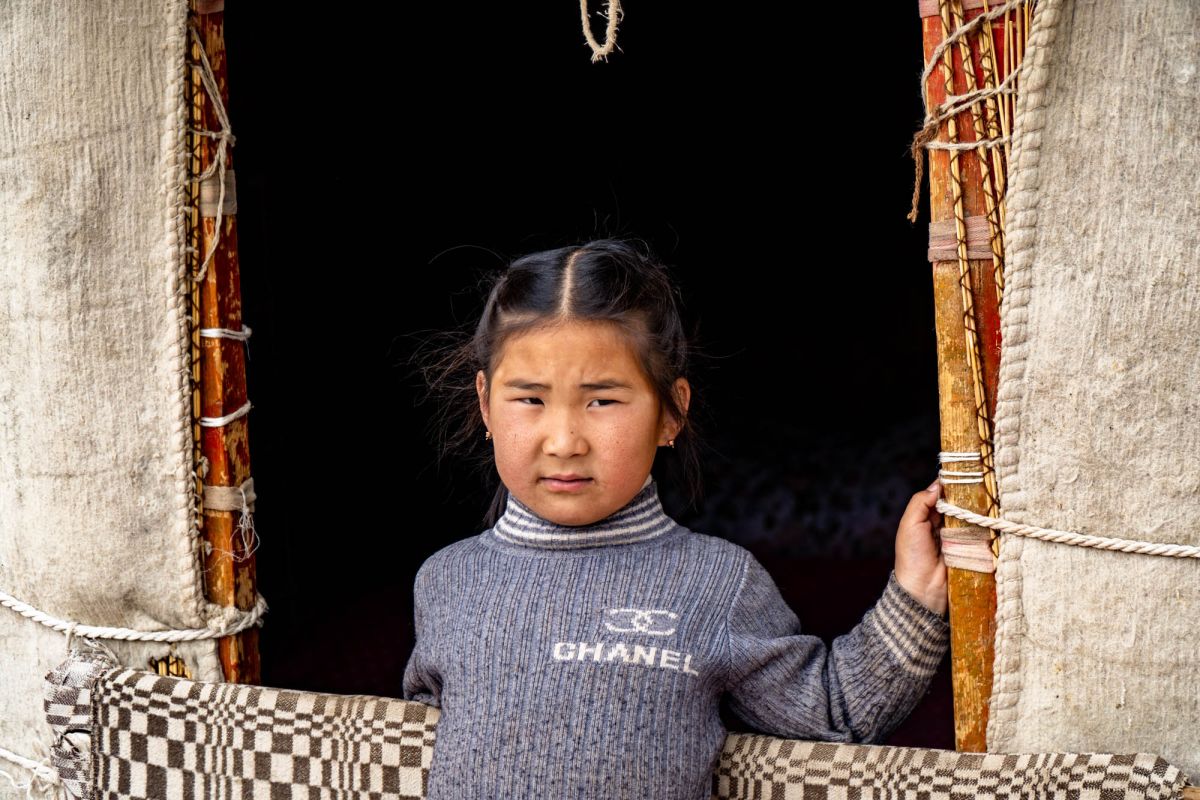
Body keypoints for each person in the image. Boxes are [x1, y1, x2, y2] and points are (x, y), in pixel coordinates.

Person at [401, 238, 950, 800]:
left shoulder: (716, 582)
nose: (564, 442)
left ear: (671, 412)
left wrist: (917, 592)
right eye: (530, 400)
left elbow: (835, 712)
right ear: (485, 403)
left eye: (602, 400)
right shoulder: (447, 581)